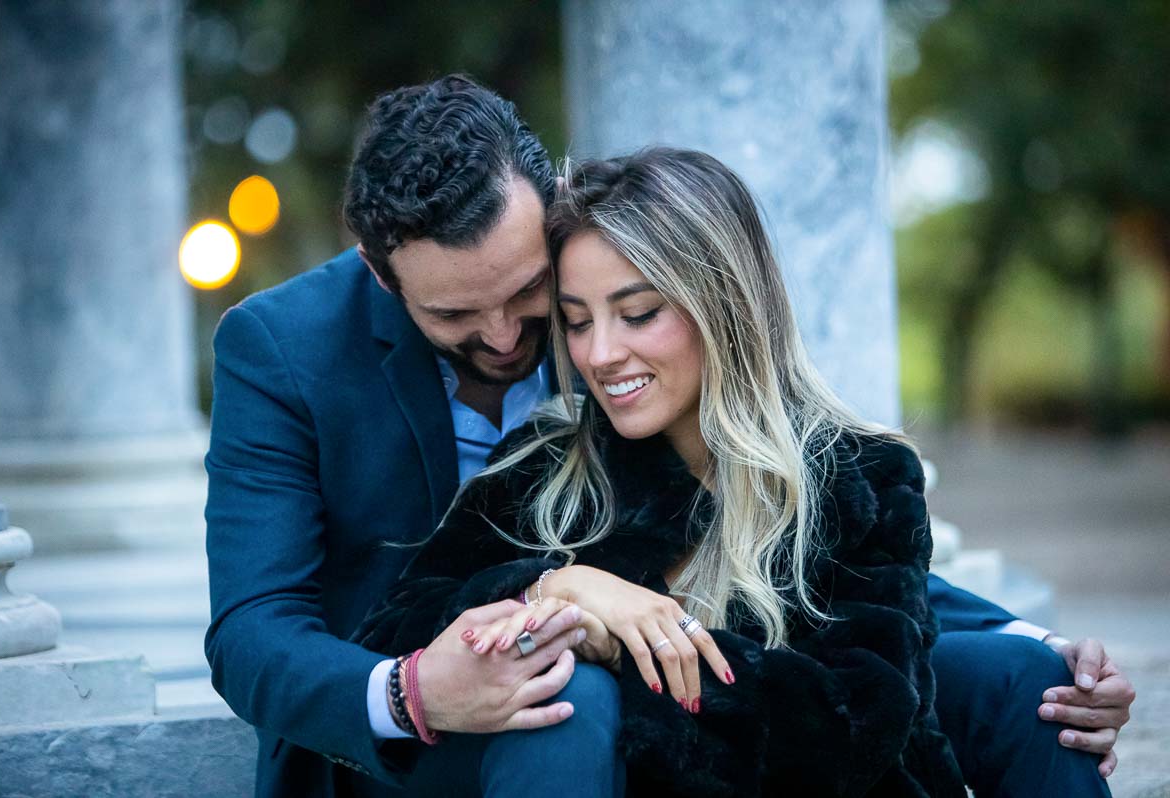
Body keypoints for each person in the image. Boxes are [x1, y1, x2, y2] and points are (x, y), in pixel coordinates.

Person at [203, 75, 1132, 797]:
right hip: (435, 716)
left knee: (1019, 681)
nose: (504, 338)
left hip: (702, 655)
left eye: (530, 300)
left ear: (552, 206)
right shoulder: (281, 349)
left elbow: (798, 512)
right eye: (455, 314)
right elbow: (252, 631)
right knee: (569, 700)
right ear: (380, 272)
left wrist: (1031, 634)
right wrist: (417, 687)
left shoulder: (593, 290)